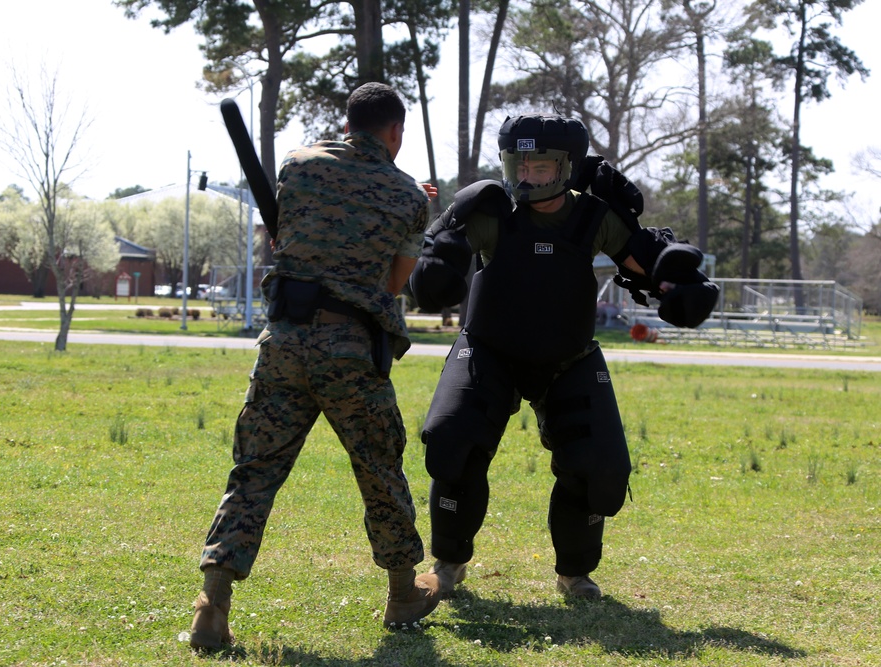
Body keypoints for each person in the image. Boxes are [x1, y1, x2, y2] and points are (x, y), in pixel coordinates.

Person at [408, 114, 718, 600]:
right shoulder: (491, 211)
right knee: (453, 441)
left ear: (567, 168)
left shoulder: (594, 217)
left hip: (567, 357)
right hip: (490, 350)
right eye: (519, 162)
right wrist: (437, 253)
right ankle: (447, 565)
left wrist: (678, 288)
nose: (526, 175)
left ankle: (574, 573)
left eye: (541, 165)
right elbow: (434, 272)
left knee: (598, 466)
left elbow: (648, 267)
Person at [189, 82, 441, 650]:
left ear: (348, 122)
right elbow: (392, 284)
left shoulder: (297, 166)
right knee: (379, 469)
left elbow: (294, 238)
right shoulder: (408, 197)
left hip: (282, 343)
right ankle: (404, 594)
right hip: (350, 351)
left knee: (254, 471)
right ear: (395, 132)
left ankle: (212, 605)